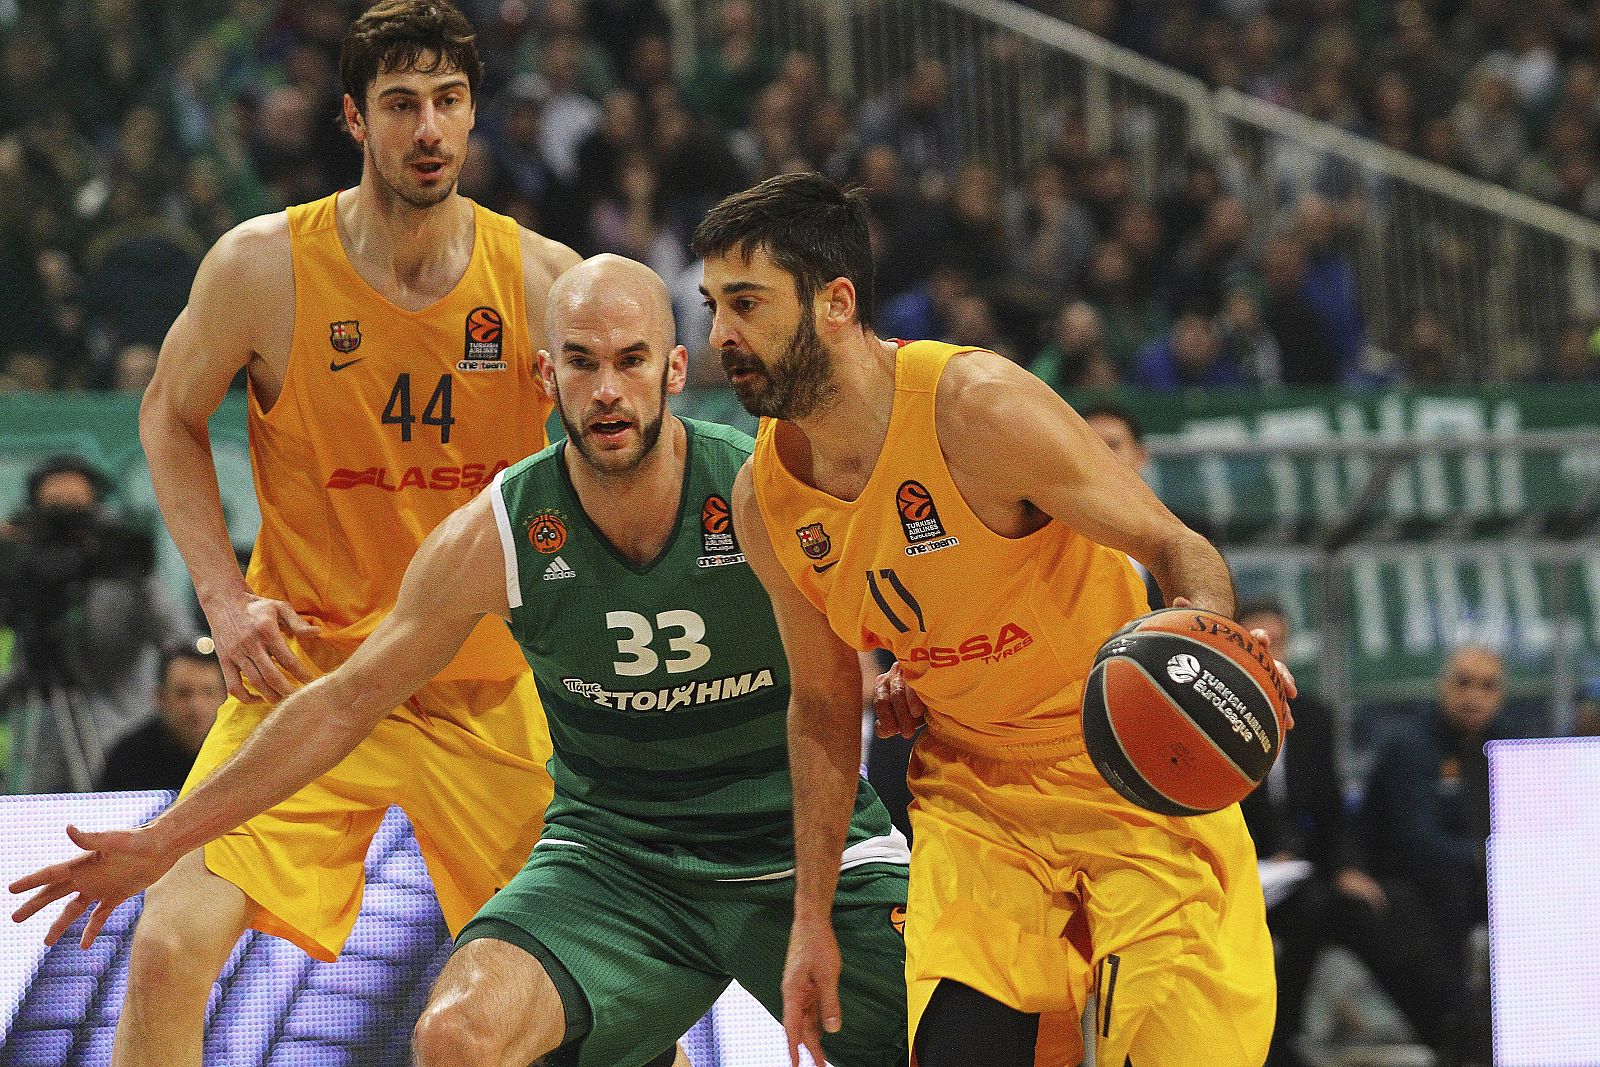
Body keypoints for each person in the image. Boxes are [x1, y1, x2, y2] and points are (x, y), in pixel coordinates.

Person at [12, 255, 912, 1067]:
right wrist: (164, 840)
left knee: (972, 1028)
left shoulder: (764, 489)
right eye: (582, 362)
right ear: (542, 375)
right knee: (455, 1035)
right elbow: (341, 703)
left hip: (790, 842)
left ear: (675, 371)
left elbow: (900, 618)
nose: (607, 390)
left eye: (632, 360)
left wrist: (916, 678)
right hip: (621, 862)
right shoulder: (496, 533)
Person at [72, 4, 578, 1063]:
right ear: (354, 118)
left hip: (480, 686)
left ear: (474, 114)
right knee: (167, 947)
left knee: (597, 996)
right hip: (305, 675)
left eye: (447, 102)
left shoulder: (539, 283)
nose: (428, 128)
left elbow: (621, 464)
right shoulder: (263, 267)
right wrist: (222, 596)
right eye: (401, 104)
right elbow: (167, 413)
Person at [692, 172, 1287, 1067]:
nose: (719, 337)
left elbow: (1176, 546)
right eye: (711, 306)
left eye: (746, 304)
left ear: (836, 303)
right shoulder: (764, 502)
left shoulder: (976, 408)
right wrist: (809, 920)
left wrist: (1198, 649)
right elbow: (820, 707)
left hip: (1127, 774)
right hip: (976, 802)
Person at [1235, 599, 1386, 1067]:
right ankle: (1259, 1040)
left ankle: (1285, 1036)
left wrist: (1345, 867)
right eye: (1257, 644)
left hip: (1297, 874)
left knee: (1352, 907)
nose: (1268, 655)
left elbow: (1332, 810)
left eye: (1275, 644)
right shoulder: (1216, 715)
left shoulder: (1314, 718)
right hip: (1238, 866)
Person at [0, 455, 191, 792]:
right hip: (42, 714)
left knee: (113, 808)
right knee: (39, 811)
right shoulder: (22, 559)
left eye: (76, 511)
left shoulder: (120, 561)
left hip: (121, 714)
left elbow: (176, 635)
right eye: (54, 510)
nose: (67, 529)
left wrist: (134, 576)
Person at [1358, 645, 1508, 1064]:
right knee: (1448, 889)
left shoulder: (1504, 743)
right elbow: (1415, 840)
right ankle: (1462, 1035)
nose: (1473, 696)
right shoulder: (1410, 745)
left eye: (1486, 686)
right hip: (1410, 882)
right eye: (1463, 683)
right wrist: (1494, 861)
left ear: (1501, 696)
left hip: (1479, 876)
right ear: (1442, 686)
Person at [97, 644, 227, 793]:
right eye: (184, 693)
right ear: (160, 698)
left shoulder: (243, 747)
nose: (197, 705)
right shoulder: (129, 759)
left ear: (226, 697)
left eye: (208, 692)